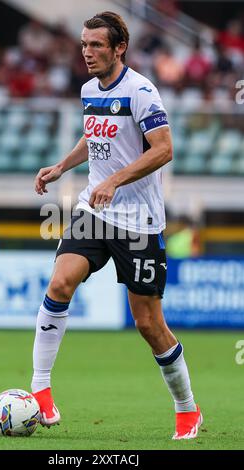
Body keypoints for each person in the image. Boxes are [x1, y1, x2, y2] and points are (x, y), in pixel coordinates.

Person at [32, 11, 203, 440]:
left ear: (118, 48)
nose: (86, 52)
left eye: (96, 45)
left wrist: (113, 179)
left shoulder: (142, 91)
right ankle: (40, 392)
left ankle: (187, 409)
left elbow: (163, 150)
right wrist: (62, 166)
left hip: (138, 221)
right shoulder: (90, 89)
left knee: (148, 324)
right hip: (94, 211)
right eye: (84, 44)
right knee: (59, 285)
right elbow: (96, 134)